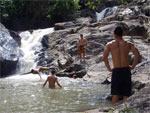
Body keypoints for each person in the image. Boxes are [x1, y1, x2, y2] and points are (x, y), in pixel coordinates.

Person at [103, 27, 140, 105]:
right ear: (122, 34)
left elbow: (105, 57)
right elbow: (137, 55)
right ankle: (125, 110)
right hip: (126, 69)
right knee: (126, 94)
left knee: (115, 94)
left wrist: (109, 68)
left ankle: (113, 110)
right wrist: (133, 66)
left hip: (116, 70)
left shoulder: (109, 45)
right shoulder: (128, 44)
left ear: (114, 34)